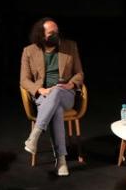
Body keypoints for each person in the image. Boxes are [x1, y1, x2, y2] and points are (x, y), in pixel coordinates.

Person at [19, 17, 84, 177]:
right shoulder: (29, 51)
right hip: (44, 96)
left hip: (65, 94)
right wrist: (40, 90)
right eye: (51, 33)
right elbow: (24, 80)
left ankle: (35, 136)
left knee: (56, 92)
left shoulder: (70, 46)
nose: (56, 35)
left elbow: (79, 73)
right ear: (41, 36)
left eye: (57, 32)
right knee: (56, 110)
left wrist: (71, 84)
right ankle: (61, 160)